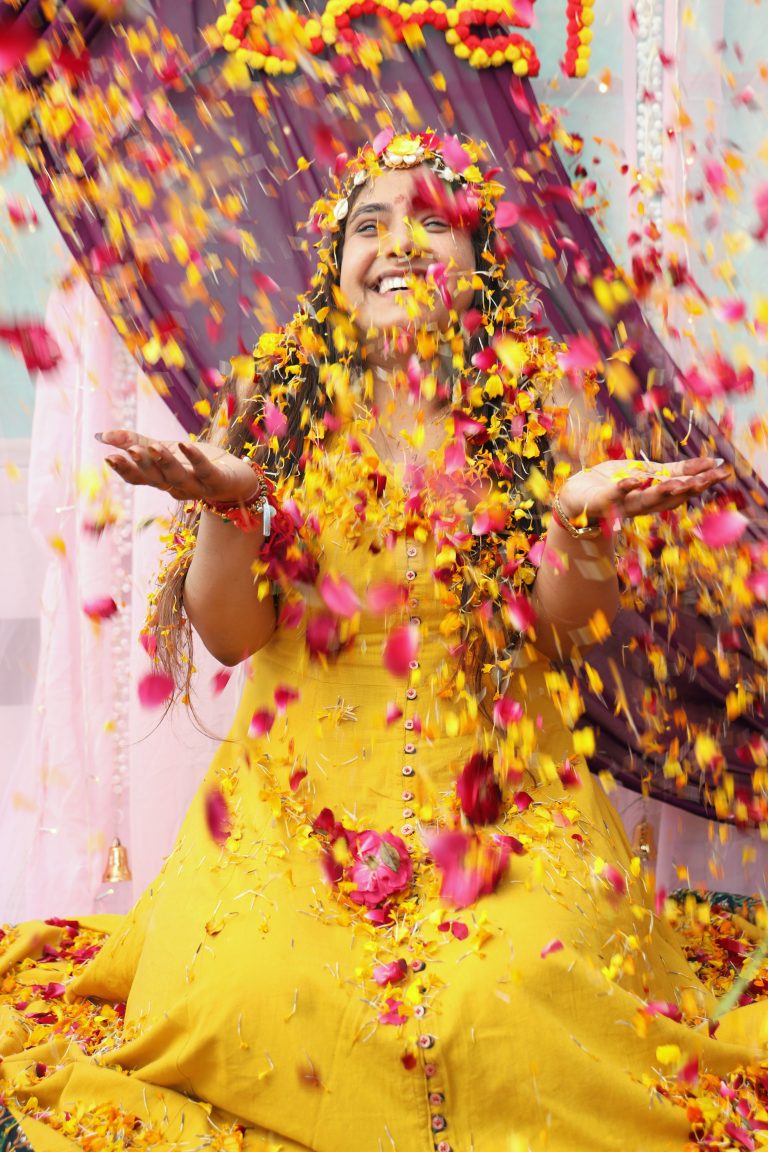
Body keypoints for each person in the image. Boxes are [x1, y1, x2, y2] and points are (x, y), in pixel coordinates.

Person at [0, 130, 760, 1152]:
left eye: (430, 223)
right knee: (256, 990)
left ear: (479, 260)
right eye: (371, 224)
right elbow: (230, 637)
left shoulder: (539, 404)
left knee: (515, 991)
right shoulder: (280, 407)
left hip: (506, 806)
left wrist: (579, 522)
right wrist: (236, 509)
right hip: (290, 807)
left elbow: (563, 621)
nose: (399, 244)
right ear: (337, 266)